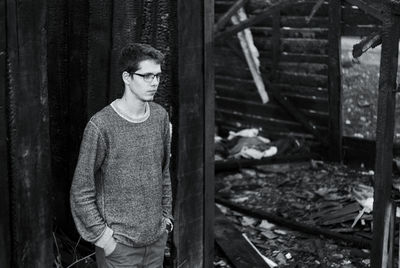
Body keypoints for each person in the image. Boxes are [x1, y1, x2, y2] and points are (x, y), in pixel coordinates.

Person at [70, 43, 173, 268]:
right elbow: (81, 190)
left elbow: (163, 171)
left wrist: (166, 220)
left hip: (156, 243)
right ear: (127, 77)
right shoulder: (101, 126)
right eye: (146, 76)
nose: (154, 82)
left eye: (157, 76)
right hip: (119, 248)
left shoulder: (160, 117)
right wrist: (104, 239)